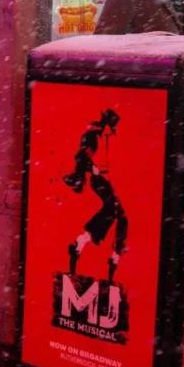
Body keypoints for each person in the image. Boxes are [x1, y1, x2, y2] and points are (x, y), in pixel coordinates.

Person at [64, 109, 126, 283]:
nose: (115, 125)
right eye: (113, 121)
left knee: (120, 214)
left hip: (106, 178)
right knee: (114, 209)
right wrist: (90, 170)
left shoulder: (102, 135)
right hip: (98, 179)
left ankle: (87, 244)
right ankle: (108, 254)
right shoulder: (93, 135)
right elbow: (82, 156)